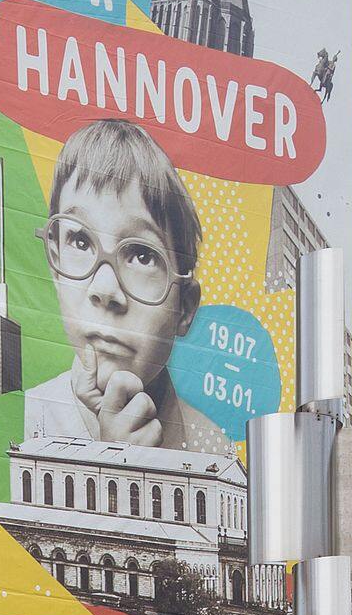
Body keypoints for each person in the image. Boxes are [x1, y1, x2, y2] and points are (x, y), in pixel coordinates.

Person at [22, 118, 240, 457]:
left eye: (142, 255)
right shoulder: (27, 416)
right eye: (80, 240)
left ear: (184, 307)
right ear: (55, 262)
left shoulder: (215, 451)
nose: (105, 289)